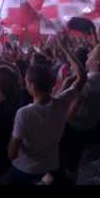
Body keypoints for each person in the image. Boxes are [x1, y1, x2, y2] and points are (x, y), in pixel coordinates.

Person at [8, 35, 87, 185]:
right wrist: (66, 49)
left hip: (26, 169)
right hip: (50, 164)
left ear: (31, 85)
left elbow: (12, 153)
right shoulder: (62, 101)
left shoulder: (23, 113)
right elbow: (82, 77)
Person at [60, 44, 100, 182]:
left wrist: (64, 120)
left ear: (96, 62)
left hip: (73, 127)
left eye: (91, 54)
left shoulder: (88, 82)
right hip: (89, 126)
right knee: (75, 157)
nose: (87, 56)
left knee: (66, 158)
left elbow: (72, 109)